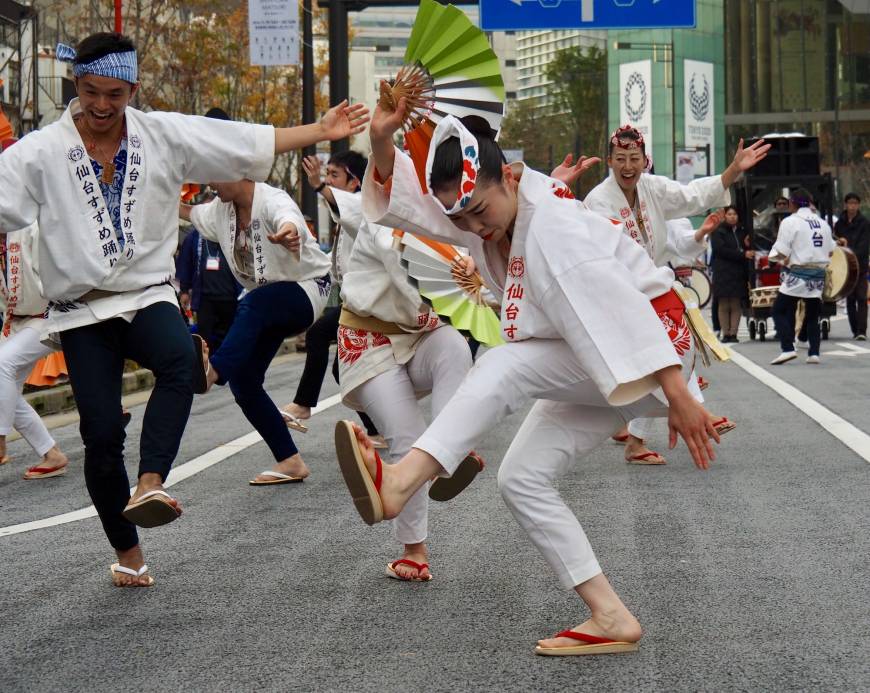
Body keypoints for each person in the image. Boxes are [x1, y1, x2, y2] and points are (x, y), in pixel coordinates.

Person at [337, 102, 721, 655]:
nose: (472, 226)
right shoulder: (490, 211)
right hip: (598, 358)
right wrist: (379, 139)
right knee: (521, 477)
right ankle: (610, 616)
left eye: (477, 211)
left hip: (657, 346)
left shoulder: (553, 231)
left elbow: (622, 310)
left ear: (511, 176)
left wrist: (680, 396)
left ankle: (400, 482)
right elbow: (415, 206)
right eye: (462, 219)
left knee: (503, 363)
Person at [0, 31, 368, 587]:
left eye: (116, 94)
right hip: (79, 310)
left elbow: (239, 140)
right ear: (75, 85)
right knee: (100, 437)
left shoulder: (161, 134)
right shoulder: (40, 151)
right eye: (92, 91)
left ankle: (151, 483)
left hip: (148, 293)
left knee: (180, 361)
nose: (103, 105)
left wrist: (320, 130)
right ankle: (128, 552)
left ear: (133, 89)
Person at [565, 125, 765, 464]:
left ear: (645, 160)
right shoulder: (598, 202)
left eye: (634, 158)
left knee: (674, 358)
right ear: (610, 162)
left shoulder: (653, 188)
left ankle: (646, 430)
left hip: (653, 294)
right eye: (621, 159)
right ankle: (664, 416)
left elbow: (692, 196)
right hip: (617, 297)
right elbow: (603, 261)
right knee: (641, 369)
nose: (628, 166)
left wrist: (732, 170)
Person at [335, 191, 480, 581]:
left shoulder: (451, 215)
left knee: (454, 345)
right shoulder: (384, 213)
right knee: (410, 436)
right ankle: (414, 549)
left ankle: (450, 447)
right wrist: (469, 285)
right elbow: (409, 276)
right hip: (369, 342)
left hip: (421, 336)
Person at [180, 169, 339, 485]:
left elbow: (287, 217)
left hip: (305, 288)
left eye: (215, 172)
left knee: (251, 305)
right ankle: (290, 461)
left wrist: (289, 231)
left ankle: (211, 373)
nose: (211, 182)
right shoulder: (219, 210)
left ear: (238, 168)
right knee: (244, 381)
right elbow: (188, 212)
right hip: (268, 301)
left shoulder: (271, 199)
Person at [282, 151, 384, 446]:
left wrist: (317, 186)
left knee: (318, 335)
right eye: (328, 175)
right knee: (343, 368)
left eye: (335, 175)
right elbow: (333, 260)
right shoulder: (351, 214)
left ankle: (303, 403)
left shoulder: (366, 207)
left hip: (369, 303)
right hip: (356, 302)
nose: (329, 180)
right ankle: (378, 428)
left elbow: (344, 205)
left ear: (354, 182)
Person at [0, 219, 70, 479]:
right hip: (15, 320)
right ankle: (52, 455)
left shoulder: (30, 229)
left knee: (1, 366)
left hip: (48, 316)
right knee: (3, 386)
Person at [770, 189, 834, 365]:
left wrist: (774, 259)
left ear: (792, 203)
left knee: (778, 310)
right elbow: (830, 249)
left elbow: (781, 250)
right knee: (813, 314)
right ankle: (814, 353)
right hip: (818, 274)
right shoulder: (823, 223)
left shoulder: (790, 221)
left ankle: (787, 348)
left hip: (799, 273)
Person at [176, 225, 241, 352]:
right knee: (204, 339)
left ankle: (228, 368)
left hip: (230, 296)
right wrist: (184, 291)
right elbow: (186, 263)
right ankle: (207, 368)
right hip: (204, 299)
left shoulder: (231, 230)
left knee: (231, 337)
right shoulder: (194, 236)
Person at [710, 206, 752, 343]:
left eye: (735, 214)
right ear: (725, 216)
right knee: (723, 303)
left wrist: (745, 247)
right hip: (722, 271)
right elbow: (720, 250)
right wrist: (742, 254)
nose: (732, 216)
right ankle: (725, 333)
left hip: (737, 270)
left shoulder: (742, 231)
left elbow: (745, 248)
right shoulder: (718, 231)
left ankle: (733, 334)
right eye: (729, 214)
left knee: (735, 303)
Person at [834, 192, 869, 340]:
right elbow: (835, 241)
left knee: (861, 297)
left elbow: (865, 244)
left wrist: (851, 253)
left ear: (858, 205)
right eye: (850, 203)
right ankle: (855, 330)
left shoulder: (864, 222)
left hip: (860, 265)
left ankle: (861, 331)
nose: (852, 206)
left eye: (855, 203)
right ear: (845, 204)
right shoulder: (840, 223)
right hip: (845, 267)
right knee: (850, 299)